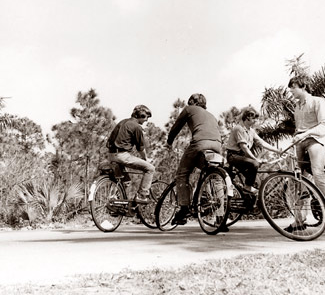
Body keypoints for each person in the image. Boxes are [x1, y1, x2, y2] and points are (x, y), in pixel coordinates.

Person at [287, 75, 325, 231]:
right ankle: (299, 220)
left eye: (293, 87)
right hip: (299, 142)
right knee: (298, 178)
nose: (291, 90)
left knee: (318, 174)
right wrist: (296, 137)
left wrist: (306, 134)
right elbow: (299, 128)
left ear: (303, 86)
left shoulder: (318, 102)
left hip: (315, 141)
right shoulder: (297, 107)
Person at [167, 93, 222, 225]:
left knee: (182, 174)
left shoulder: (189, 109)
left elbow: (177, 126)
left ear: (192, 101)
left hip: (200, 143)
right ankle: (220, 217)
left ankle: (184, 210)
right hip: (217, 145)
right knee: (215, 176)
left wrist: (169, 142)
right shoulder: (211, 115)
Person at [226, 107, 282, 194]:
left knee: (257, 183)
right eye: (254, 118)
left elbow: (262, 143)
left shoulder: (251, 131)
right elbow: (244, 147)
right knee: (254, 164)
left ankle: (251, 204)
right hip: (233, 156)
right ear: (248, 117)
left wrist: (278, 151)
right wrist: (255, 159)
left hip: (242, 157)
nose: (256, 120)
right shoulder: (239, 128)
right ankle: (247, 187)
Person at [106, 105, 155, 203]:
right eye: (146, 117)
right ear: (141, 115)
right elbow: (140, 148)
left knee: (125, 182)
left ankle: (117, 203)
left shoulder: (122, 122)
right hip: (122, 156)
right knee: (150, 168)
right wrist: (145, 159)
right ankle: (142, 195)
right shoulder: (137, 127)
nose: (146, 120)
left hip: (111, 155)